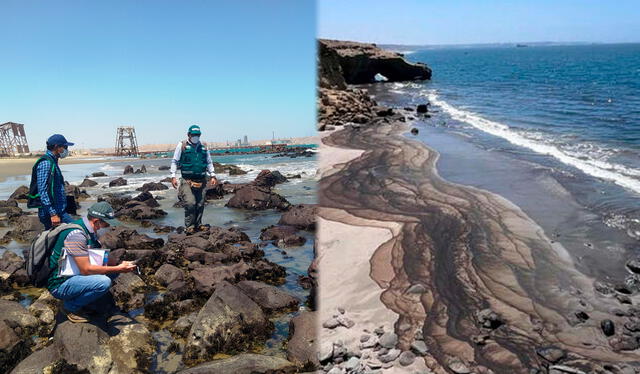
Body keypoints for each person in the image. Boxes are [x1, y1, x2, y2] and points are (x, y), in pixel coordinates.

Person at [47, 201, 137, 323]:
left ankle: (84, 299)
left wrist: (120, 263)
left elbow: (101, 255)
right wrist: (119, 268)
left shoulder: (89, 230)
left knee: (113, 272)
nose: (107, 228)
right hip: (59, 284)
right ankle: (69, 307)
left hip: (72, 274)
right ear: (96, 222)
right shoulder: (77, 235)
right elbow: (86, 269)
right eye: (105, 224)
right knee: (104, 282)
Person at [170, 124, 218, 233]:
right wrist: (173, 176)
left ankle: (198, 224)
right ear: (188, 135)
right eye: (194, 135)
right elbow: (175, 161)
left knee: (200, 204)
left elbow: (209, 161)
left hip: (202, 179)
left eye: (198, 135)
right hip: (187, 180)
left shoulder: (204, 146)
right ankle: (189, 226)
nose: (196, 137)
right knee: (190, 203)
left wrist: (213, 175)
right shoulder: (181, 145)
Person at [27, 134, 74, 229]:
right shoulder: (46, 163)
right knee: (76, 228)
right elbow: (43, 191)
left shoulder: (53, 161)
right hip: (52, 212)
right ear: (57, 147)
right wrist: (53, 214)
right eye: (65, 147)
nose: (66, 150)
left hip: (59, 210)